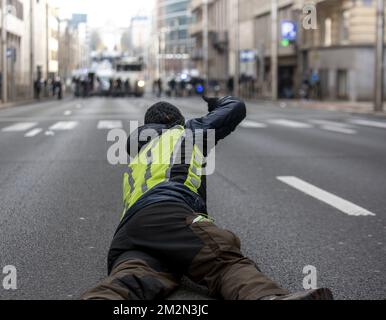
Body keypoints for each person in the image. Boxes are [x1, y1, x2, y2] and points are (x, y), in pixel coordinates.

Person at [82, 96, 334, 301]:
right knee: (223, 260)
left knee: (132, 278)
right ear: (174, 121)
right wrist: (217, 102)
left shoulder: (139, 158)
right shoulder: (186, 133)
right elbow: (236, 108)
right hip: (170, 212)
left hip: (129, 235)